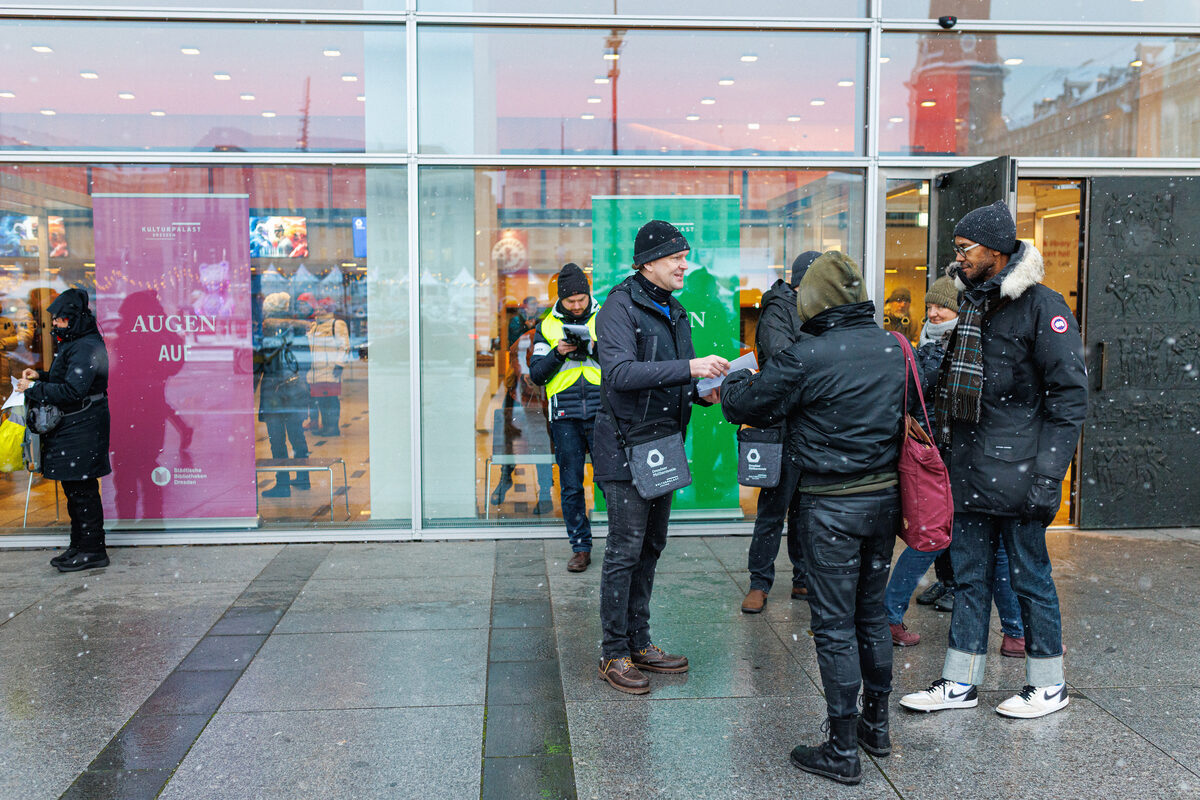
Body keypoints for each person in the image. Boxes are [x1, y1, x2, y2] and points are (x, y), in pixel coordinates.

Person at [722, 251, 907, 786]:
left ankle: (842, 748)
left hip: (830, 506)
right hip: (884, 502)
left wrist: (734, 384)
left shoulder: (808, 354)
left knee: (831, 625)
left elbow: (748, 404)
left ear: (816, 301)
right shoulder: (894, 346)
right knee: (871, 616)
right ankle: (877, 727)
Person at [900, 200, 1087, 719]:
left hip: (1022, 474)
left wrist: (1050, 476)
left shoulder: (1041, 307)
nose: (957, 259)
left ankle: (1049, 685)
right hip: (968, 469)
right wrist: (934, 347)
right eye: (956, 249)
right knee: (968, 578)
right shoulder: (971, 305)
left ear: (997, 251)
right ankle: (959, 682)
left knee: (1030, 578)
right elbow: (929, 390)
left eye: (964, 249)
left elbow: (1069, 400)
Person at [594, 219, 727, 695]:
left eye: (684, 256)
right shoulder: (617, 309)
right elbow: (621, 374)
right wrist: (689, 367)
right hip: (625, 445)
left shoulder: (673, 309)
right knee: (624, 550)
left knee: (650, 547)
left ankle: (640, 641)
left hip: (663, 445)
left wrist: (700, 391)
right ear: (649, 262)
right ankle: (614, 652)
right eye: (676, 257)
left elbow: (675, 381)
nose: (683, 265)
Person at [739, 250, 819, 614]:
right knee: (774, 506)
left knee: (806, 508)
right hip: (783, 425)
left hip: (813, 424)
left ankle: (803, 577)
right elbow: (783, 360)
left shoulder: (817, 308)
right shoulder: (778, 309)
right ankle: (760, 582)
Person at [17, 288, 111, 572]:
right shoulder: (77, 341)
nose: (55, 325)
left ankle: (92, 549)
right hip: (77, 423)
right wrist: (42, 376)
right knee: (76, 488)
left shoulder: (84, 346)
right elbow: (68, 380)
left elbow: (74, 389)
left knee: (82, 489)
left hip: (82, 424)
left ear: (75, 319)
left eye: (60, 320)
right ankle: (80, 545)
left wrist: (35, 388)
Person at [529, 263, 601, 572]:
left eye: (581, 299)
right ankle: (580, 547)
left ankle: (623, 544)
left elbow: (625, 362)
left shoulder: (607, 320)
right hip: (565, 415)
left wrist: (593, 348)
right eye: (570, 301)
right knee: (571, 485)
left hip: (603, 411)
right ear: (561, 299)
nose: (576, 306)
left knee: (612, 483)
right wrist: (558, 353)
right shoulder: (546, 326)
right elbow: (536, 375)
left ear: (588, 295)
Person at [258, 292, 310, 498]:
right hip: (296, 390)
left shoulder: (267, 331)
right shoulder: (297, 328)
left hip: (274, 393)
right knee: (297, 436)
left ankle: (282, 484)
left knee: (277, 440)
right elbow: (306, 360)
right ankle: (304, 478)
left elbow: (261, 362)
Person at [305, 296, 350, 437]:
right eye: (317, 308)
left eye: (322, 308)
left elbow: (344, 346)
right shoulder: (314, 326)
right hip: (315, 371)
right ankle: (326, 426)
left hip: (330, 370)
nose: (318, 311)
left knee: (331, 400)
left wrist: (339, 364)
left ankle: (333, 427)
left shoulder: (336, 324)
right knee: (321, 401)